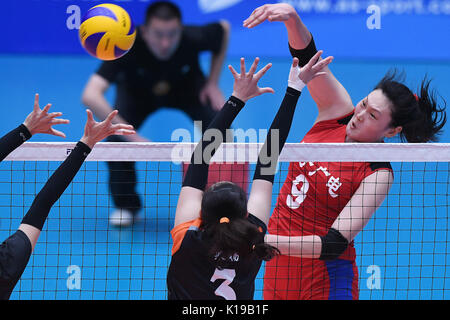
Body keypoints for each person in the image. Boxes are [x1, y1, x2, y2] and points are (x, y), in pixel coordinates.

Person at [243, 3, 447, 300]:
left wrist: (266, 241)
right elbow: (307, 58)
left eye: (373, 116)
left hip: (325, 277)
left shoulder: (378, 172)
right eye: (364, 104)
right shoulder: (337, 113)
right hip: (278, 268)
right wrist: (291, 18)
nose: (360, 115)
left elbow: (335, 243)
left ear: (391, 132)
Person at [166, 51, 333, 300]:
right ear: (244, 212)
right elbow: (270, 154)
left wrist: (237, 98)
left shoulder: (187, 238)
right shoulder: (254, 239)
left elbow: (201, 156)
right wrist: (293, 89)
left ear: (201, 212)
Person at [81, 1, 247, 227]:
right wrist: (133, 137)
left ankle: (221, 202)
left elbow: (224, 28)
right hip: (137, 95)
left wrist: (212, 83)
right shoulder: (126, 46)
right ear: (145, 31)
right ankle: (126, 205)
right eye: (159, 35)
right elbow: (90, 94)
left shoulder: (192, 37)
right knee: (116, 138)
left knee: (221, 130)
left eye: (172, 34)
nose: (166, 42)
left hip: (187, 89)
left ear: (180, 29)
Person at [0, 94, 135, 300]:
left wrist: (24, 131)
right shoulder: (7, 265)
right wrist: (86, 144)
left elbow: (43, 201)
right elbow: (44, 201)